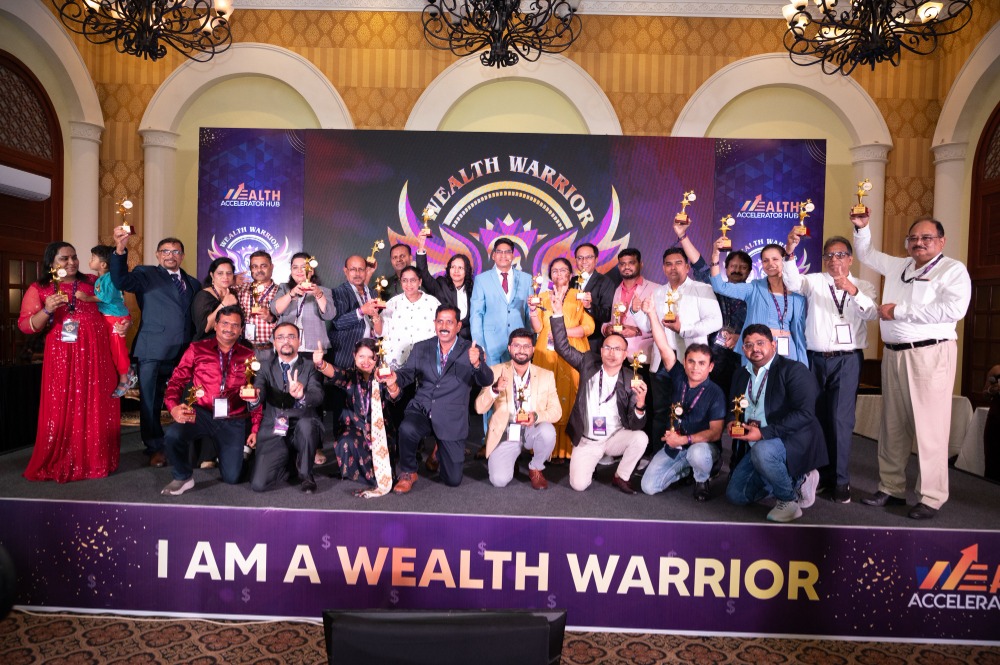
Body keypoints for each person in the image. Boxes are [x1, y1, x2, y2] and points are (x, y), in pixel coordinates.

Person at [852, 213, 972, 519]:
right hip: (893, 354)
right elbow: (866, 254)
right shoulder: (900, 265)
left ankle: (931, 497)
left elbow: (954, 309)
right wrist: (862, 228)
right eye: (913, 238)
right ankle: (891, 488)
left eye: (926, 238)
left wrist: (901, 311)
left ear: (941, 241)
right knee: (892, 426)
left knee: (930, 428)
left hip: (930, 354)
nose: (919, 243)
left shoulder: (952, 270)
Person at [784, 231, 879, 503]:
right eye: (829, 255)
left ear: (850, 259)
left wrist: (851, 290)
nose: (834, 259)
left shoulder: (864, 286)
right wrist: (790, 253)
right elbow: (792, 281)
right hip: (815, 359)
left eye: (840, 255)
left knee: (840, 420)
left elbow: (872, 313)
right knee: (817, 418)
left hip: (847, 360)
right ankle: (822, 476)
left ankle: (841, 482)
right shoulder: (815, 281)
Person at [19, 242, 121, 482]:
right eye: (64, 258)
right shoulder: (40, 288)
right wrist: (47, 310)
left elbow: (114, 306)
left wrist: (123, 323)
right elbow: (26, 326)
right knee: (63, 403)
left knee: (96, 401)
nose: (72, 262)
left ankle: (95, 458)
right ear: (51, 262)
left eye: (74, 257)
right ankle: (66, 456)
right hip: (62, 354)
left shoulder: (93, 281)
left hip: (97, 353)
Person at [110, 229, 201, 468]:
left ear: (182, 256)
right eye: (165, 251)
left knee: (187, 398)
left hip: (184, 352)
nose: (170, 255)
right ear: (158, 255)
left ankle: (183, 443)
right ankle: (154, 446)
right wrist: (120, 250)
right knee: (150, 401)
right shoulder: (145, 274)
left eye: (175, 251)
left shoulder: (193, 283)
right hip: (153, 349)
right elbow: (120, 280)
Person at [381, 305, 494, 492]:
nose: (444, 326)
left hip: (451, 416)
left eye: (449, 322)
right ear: (434, 323)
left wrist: (477, 364)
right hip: (423, 408)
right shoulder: (421, 347)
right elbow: (407, 374)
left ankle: (438, 451)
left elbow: (486, 380)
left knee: (453, 480)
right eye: (440, 321)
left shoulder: (472, 350)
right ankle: (408, 472)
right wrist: (395, 378)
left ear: (458, 326)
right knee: (407, 428)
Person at [725, 325, 827, 522]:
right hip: (758, 443)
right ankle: (791, 479)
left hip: (790, 439)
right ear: (743, 349)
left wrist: (764, 433)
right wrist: (731, 422)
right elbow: (733, 407)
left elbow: (805, 414)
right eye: (748, 345)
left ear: (773, 345)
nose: (755, 349)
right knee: (736, 494)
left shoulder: (794, 370)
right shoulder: (741, 374)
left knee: (763, 451)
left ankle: (788, 500)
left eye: (760, 343)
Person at [550, 293, 648, 494]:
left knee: (640, 438)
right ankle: (591, 462)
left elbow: (636, 424)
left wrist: (640, 404)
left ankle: (621, 476)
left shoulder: (632, 378)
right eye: (608, 348)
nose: (612, 353)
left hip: (614, 437)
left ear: (625, 354)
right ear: (601, 351)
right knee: (578, 485)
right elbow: (562, 347)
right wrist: (558, 313)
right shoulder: (588, 363)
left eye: (617, 349)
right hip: (587, 440)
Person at [160, 305, 259, 495]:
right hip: (201, 414)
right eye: (225, 323)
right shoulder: (197, 349)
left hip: (233, 419)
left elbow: (256, 395)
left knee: (232, 478)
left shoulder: (249, 356)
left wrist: (255, 426)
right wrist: (173, 407)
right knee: (173, 434)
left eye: (235, 325)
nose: (229, 328)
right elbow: (176, 381)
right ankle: (182, 476)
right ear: (216, 325)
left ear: (241, 330)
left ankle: (241, 453)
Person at [633, 247, 723, 449]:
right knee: (661, 411)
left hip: (691, 362)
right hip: (662, 361)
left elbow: (716, 321)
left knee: (693, 411)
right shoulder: (657, 292)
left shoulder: (702, 289)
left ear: (688, 267)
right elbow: (648, 326)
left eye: (678, 263)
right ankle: (659, 454)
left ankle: (694, 456)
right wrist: (636, 310)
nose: (673, 268)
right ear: (663, 268)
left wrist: (684, 329)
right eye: (668, 264)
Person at [639, 298, 726, 501]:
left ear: (710, 367)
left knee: (697, 454)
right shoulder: (679, 376)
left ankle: (703, 477)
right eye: (691, 362)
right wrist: (651, 313)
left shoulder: (715, 393)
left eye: (702, 363)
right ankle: (687, 470)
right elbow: (663, 346)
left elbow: (715, 433)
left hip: (702, 447)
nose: (695, 367)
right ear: (684, 363)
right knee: (648, 487)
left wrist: (685, 440)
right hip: (676, 444)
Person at [475, 329, 562, 489]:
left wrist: (536, 416)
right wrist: (494, 389)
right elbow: (479, 408)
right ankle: (511, 460)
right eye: (516, 345)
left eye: (526, 346)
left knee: (548, 431)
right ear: (509, 348)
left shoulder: (546, 375)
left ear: (533, 349)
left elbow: (557, 412)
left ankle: (536, 467)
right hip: (506, 431)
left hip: (532, 428)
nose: (521, 350)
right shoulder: (495, 371)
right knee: (498, 481)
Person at [529, 257, 594, 462]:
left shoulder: (579, 296)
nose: (559, 274)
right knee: (546, 396)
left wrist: (562, 333)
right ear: (550, 275)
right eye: (555, 270)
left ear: (570, 274)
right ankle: (545, 448)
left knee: (571, 395)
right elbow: (538, 328)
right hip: (546, 352)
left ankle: (567, 449)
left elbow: (589, 327)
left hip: (571, 351)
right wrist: (532, 311)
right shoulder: (542, 297)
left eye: (563, 270)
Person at [314, 338, 398, 496]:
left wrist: (392, 385)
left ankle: (378, 476)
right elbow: (334, 373)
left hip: (380, 431)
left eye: (371, 357)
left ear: (377, 358)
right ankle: (364, 477)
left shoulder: (383, 376)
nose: (366, 362)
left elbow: (395, 397)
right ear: (354, 356)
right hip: (354, 427)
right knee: (346, 441)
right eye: (361, 356)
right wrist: (320, 364)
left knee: (384, 451)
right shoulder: (349, 376)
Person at [247, 322, 324, 494]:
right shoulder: (264, 366)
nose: (286, 341)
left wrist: (302, 395)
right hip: (274, 427)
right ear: (274, 342)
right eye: (280, 337)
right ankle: (290, 462)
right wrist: (254, 396)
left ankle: (306, 474)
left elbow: (318, 395)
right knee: (258, 484)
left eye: (291, 337)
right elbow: (258, 391)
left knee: (307, 426)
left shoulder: (310, 366)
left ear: (299, 341)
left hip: (302, 423)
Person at [710, 241, 808, 367]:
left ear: (784, 260)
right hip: (757, 351)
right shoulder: (754, 288)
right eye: (765, 260)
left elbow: (799, 333)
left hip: (789, 352)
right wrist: (715, 256)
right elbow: (720, 287)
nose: (770, 264)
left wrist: (803, 365)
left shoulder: (797, 294)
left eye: (775, 259)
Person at [470, 238, 531, 366]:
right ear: (493, 255)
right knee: (492, 378)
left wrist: (530, 343)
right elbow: (476, 314)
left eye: (507, 252)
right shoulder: (481, 280)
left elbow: (529, 313)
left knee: (517, 378)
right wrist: (479, 345)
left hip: (519, 345)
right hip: (491, 345)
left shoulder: (526, 279)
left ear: (513, 256)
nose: (503, 255)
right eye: (499, 252)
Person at [85, 244, 135, 397]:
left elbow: (103, 298)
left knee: (117, 349)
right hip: (111, 317)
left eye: (93, 258)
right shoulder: (102, 278)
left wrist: (85, 298)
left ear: (103, 265)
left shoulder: (109, 278)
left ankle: (125, 377)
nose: (90, 261)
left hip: (116, 318)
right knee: (113, 348)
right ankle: (126, 372)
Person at [374, 266, 441, 369]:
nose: (409, 284)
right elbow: (380, 332)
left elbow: (441, 331)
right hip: (396, 360)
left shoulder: (433, 303)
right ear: (401, 282)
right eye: (405, 280)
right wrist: (375, 316)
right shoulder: (392, 303)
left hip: (426, 360)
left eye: (413, 280)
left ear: (420, 282)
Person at [601, 248, 660, 359]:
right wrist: (606, 329)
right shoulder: (615, 290)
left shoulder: (656, 289)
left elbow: (662, 326)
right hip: (616, 354)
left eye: (631, 263)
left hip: (641, 354)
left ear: (641, 264)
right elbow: (610, 320)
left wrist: (638, 331)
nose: (626, 267)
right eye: (622, 264)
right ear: (619, 267)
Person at [271, 252, 335, 353]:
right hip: (285, 344)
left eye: (303, 267)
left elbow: (329, 315)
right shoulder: (284, 288)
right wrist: (291, 294)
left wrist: (318, 294)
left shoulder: (323, 291)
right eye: (295, 267)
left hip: (312, 347)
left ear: (311, 271)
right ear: (291, 271)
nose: (299, 271)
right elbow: (275, 310)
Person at [415, 235, 474, 340]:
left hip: (467, 342)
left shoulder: (473, 289)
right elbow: (423, 274)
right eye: (453, 267)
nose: (456, 271)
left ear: (467, 271)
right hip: (444, 340)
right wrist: (421, 247)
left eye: (460, 268)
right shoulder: (441, 285)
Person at [329, 255, 380, 370]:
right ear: (345, 271)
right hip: (345, 356)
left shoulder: (372, 293)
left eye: (361, 269)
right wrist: (362, 311)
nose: (357, 273)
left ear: (366, 271)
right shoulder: (339, 292)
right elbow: (338, 323)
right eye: (353, 269)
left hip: (369, 358)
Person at [572, 242, 616, 353]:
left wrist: (590, 306)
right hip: (570, 339)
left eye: (589, 257)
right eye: (580, 258)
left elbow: (607, 314)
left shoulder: (605, 282)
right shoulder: (572, 281)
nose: (584, 261)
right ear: (576, 260)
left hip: (592, 342)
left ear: (596, 260)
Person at [235, 251, 280, 355]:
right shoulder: (241, 288)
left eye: (263, 266)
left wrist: (271, 319)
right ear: (250, 269)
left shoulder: (280, 291)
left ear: (272, 267)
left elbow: (289, 321)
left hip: (270, 350)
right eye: (254, 266)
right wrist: (233, 280)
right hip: (244, 349)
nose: (259, 270)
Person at [192, 257, 240, 343]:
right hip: (207, 346)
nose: (225, 277)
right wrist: (223, 304)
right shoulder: (203, 296)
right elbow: (204, 328)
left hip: (229, 344)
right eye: (220, 273)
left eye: (229, 273)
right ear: (212, 275)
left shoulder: (233, 294)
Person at [984, 364, 1000, 482]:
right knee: (992, 456)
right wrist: (991, 390)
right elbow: (984, 394)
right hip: (996, 418)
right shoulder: (996, 370)